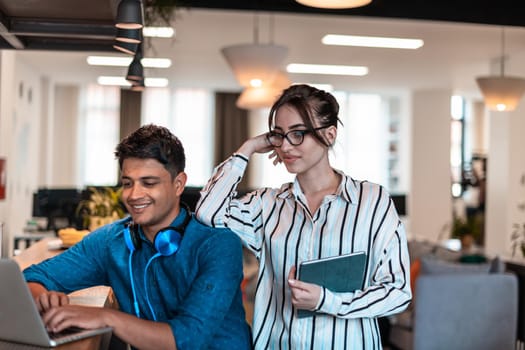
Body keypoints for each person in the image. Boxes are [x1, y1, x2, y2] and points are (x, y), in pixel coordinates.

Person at [195, 84, 412, 349]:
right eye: (279, 135)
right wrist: (249, 148)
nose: (286, 145)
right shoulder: (266, 204)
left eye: (298, 134)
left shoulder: (372, 202)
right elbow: (208, 211)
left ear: (330, 135)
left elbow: (398, 293)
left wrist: (327, 301)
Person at [23, 124, 252, 350]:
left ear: (178, 183)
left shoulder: (219, 245)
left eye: (148, 183)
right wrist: (44, 298)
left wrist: (106, 318)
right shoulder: (111, 240)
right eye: (127, 183)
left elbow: (187, 339)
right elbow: (32, 277)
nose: (134, 195)